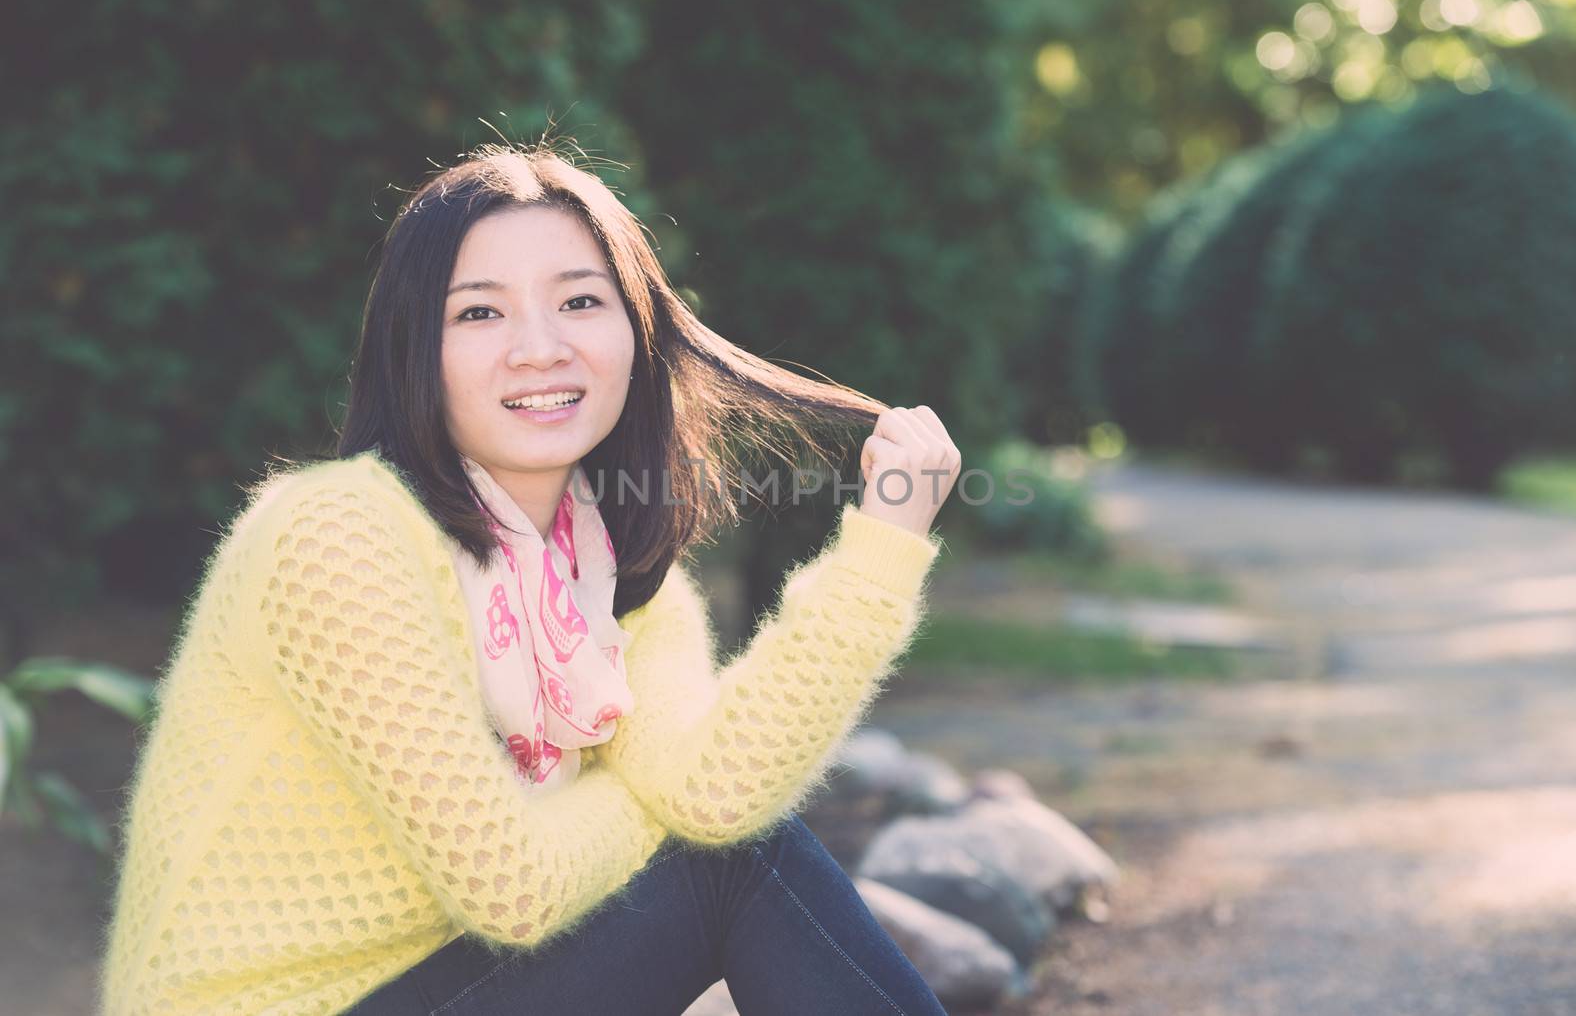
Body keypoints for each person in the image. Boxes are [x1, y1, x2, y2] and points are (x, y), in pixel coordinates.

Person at [97, 142, 961, 1015]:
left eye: (581, 302)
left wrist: (882, 548)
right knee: (725, 861)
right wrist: (659, 812)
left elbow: (718, 790)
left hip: (460, 989)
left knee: (734, 850)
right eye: (479, 315)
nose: (539, 350)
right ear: (413, 348)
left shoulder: (616, 579)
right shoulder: (334, 537)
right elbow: (515, 887)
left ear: (637, 334)